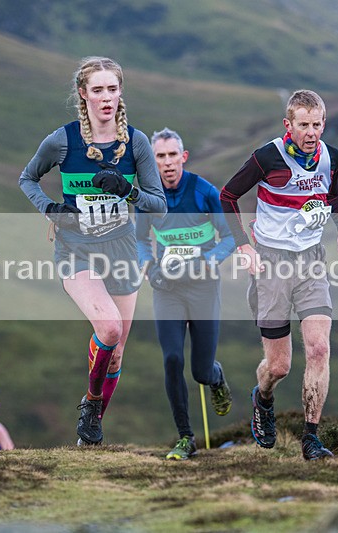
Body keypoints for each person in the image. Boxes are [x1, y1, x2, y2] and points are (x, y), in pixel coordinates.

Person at [18, 57, 166, 445]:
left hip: (121, 248)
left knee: (116, 354)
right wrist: (51, 209)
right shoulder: (62, 140)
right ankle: (92, 408)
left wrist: (127, 190)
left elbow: (159, 204)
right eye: (97, 90)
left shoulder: (136, 143)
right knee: (110, 328)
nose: (106, 98)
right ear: (83, 95)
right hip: (76, 249)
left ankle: (91, 423)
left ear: (121, 93)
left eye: (112, 89)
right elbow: (28, 178)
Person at [220, 89, 338, 461]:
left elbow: (334, 195)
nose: (311, 133)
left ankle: (311, 438)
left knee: (319, 347)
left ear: (323, 123)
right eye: (303, 125)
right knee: (279, 366)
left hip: (311, 262)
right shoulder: (267, 158)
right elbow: (227, 196)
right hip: (271, 264)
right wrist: (243, 246)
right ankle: (262, 398)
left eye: (317, 125)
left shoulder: (331, 157)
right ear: (288, 125)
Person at [136, 128, 235, 460]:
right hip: (168, 290)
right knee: (173, 359)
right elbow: (138, 240)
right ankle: (185, 437)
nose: (166, 163)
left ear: (183, 156)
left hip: (204, 288)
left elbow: (229, 236)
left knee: (200, 372)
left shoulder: (205, 191)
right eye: (159, 157)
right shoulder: (148, 198)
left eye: (172, 155)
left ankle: (216, 376)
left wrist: (209, 261)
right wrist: (149, 268)